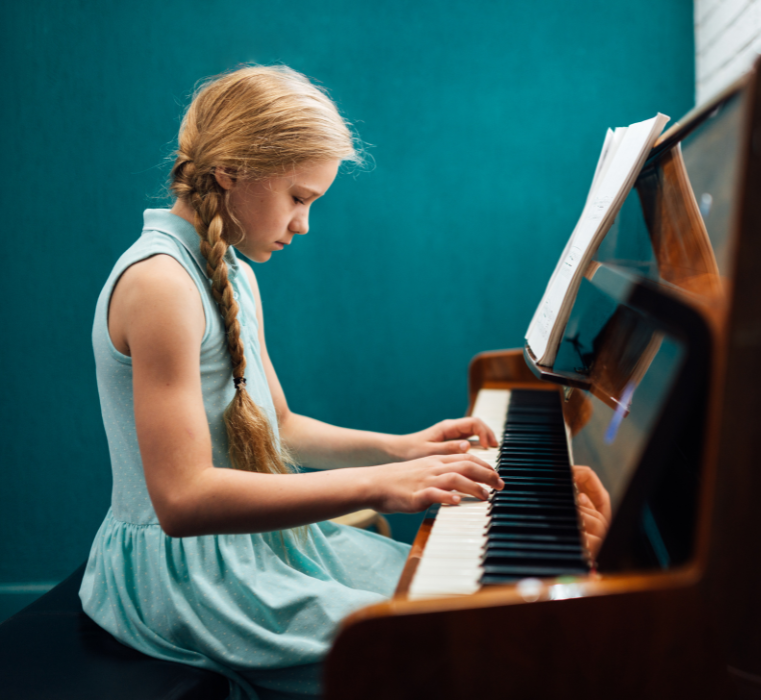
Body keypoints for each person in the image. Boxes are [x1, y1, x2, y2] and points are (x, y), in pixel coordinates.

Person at [79, 65, 502, 700]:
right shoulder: (160, 285)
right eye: (299, 197)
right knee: (432, 645)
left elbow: (282, 426)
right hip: (186, 576)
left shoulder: (233, 272)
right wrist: (379, 486)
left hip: (254, 546)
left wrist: (403, 449)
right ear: (231, 172)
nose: (303, 224)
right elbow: (182, 501)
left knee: (462, 597)